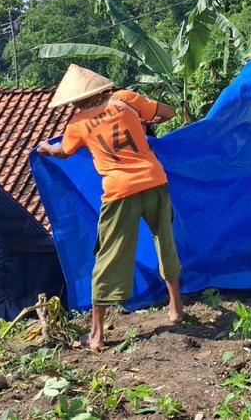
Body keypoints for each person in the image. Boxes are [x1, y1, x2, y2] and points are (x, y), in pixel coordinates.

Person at [36, 64, 184, 351]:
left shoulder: (78, 124)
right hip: (154, 180)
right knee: (164, 241)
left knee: (109, 255)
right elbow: (168, 113)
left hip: (119, 192)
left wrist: (46, 148)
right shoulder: (125, 99)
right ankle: (175, 308)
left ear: (75, 101)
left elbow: (63, 152)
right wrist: (142, 120)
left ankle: (96, 334)